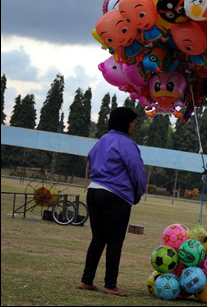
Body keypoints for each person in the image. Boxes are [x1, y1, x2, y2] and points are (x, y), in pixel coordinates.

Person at [76, 107, 147, 297]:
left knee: (98, 238)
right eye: (132, 121)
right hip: (115, 196)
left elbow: (90, 158)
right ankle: (110, 284)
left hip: (94, 191)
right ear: (124, 123)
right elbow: (137, 171)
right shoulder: (127, 144)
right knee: (115, 241)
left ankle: (86, 280)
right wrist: (137, 194)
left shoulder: (102, 140)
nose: (134, 125)